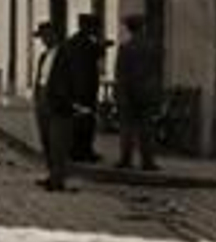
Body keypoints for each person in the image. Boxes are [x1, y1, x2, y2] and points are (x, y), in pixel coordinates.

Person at [36, 20, 84, 192]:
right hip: (43, 101)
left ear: (54, 35)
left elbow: (75, 79)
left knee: (58, 143)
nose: (44, 40)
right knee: (47, 141)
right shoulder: (44, 56)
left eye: (46, 36)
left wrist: (70, 101)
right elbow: (41, 79)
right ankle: (52, 174)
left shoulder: (66, 54)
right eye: (42, 37)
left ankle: (58, 179)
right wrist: (37, 99)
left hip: (59, 103)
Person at [114, 14, 162, 172]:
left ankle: (126, 159)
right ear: (142, 27)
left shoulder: (125, 48)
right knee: (146, 128)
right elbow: (156, 71)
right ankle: (148, 161)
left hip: (129, 92)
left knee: (127, 128)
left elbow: (120, 74)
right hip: (146, 92)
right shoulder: (152, 47)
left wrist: (120, 94)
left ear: (129, 29)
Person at [68, 14, 110, 163]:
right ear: (87, 27)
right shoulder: (87, 43)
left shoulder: (72, 41)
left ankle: (76, 150)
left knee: (78, 120)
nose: (95, 29)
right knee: (86, 121)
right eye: (93, 27)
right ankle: (84, 151)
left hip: (75, 88)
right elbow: (100, 53)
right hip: (85, 89)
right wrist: (102, 44)